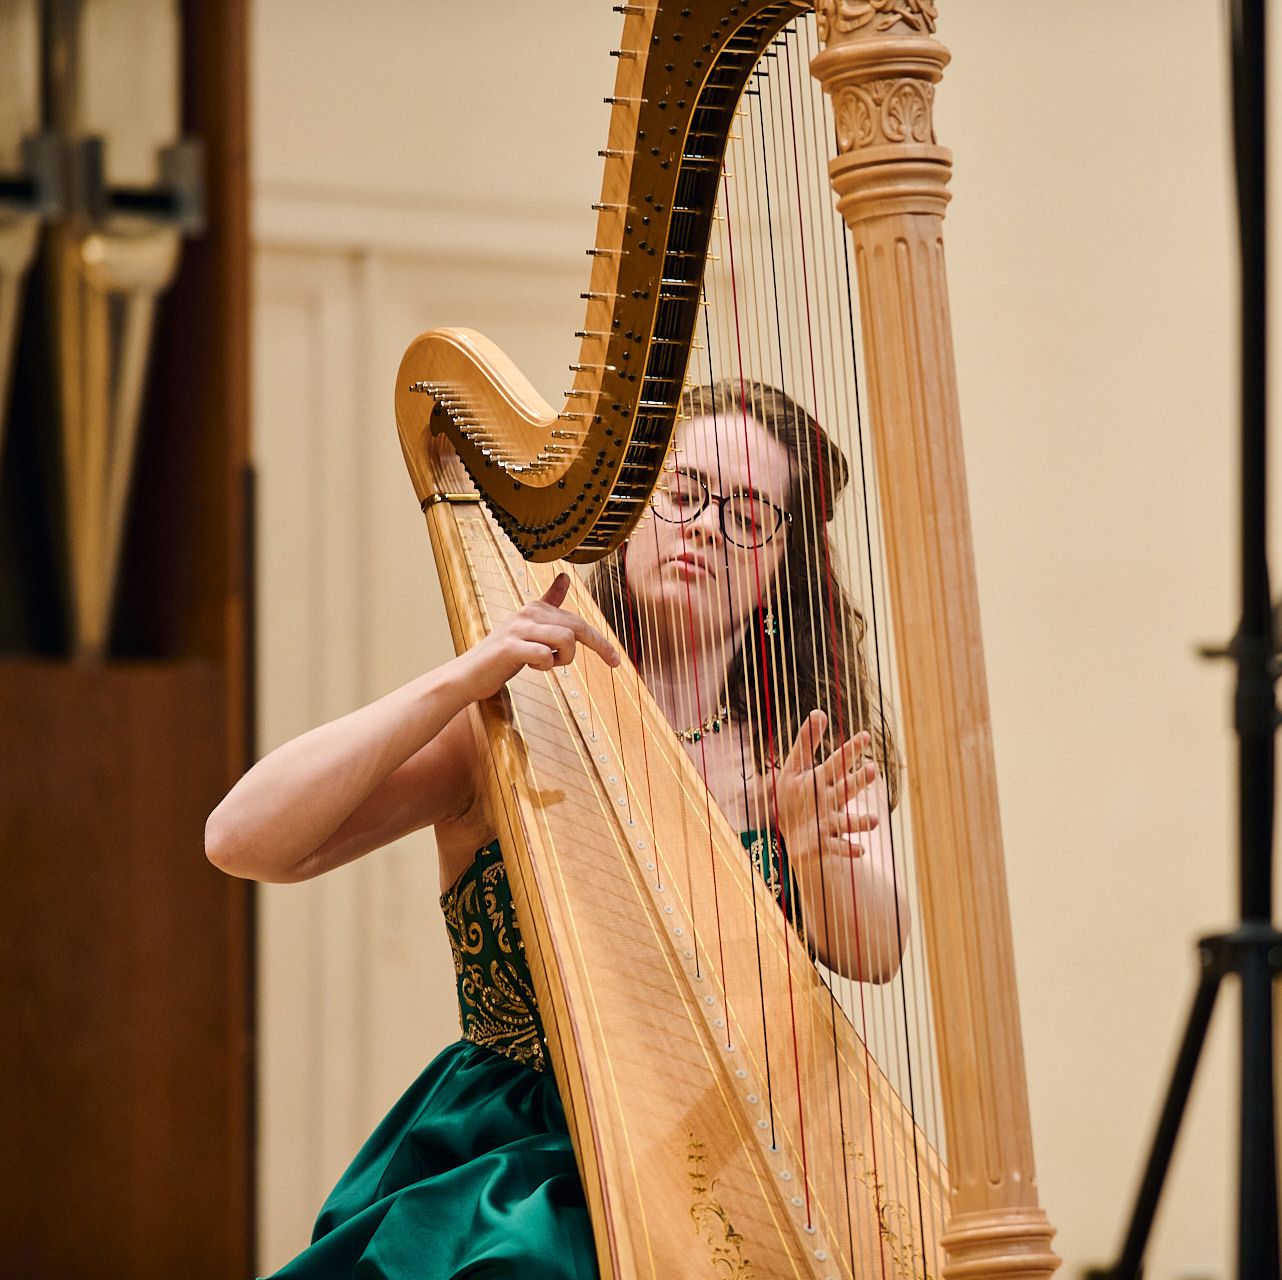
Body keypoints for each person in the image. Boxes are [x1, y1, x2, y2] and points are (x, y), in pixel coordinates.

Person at [208, 378, 905, 1278]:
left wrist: (819, 863)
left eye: (748, 515)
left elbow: (875, 949)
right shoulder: (506, 726)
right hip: (508, 1162)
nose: (703, 526)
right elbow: (241, 839)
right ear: (626, 514)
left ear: (780, 570)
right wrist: (459, 679)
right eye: (683, 493)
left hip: (728, 1156)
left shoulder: (807, 751)